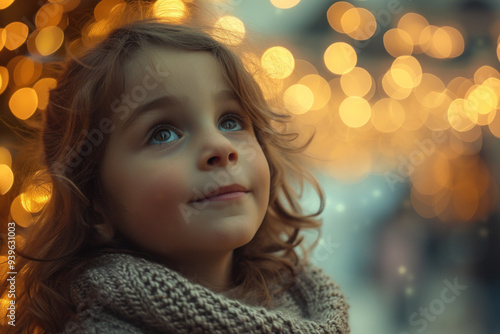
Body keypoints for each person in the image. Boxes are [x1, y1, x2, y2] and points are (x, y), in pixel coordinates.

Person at [0, 7, 349, 334]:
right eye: (163, 133)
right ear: (93, 201)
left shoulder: (310, 305)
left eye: (231, 121)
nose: (221, 148)